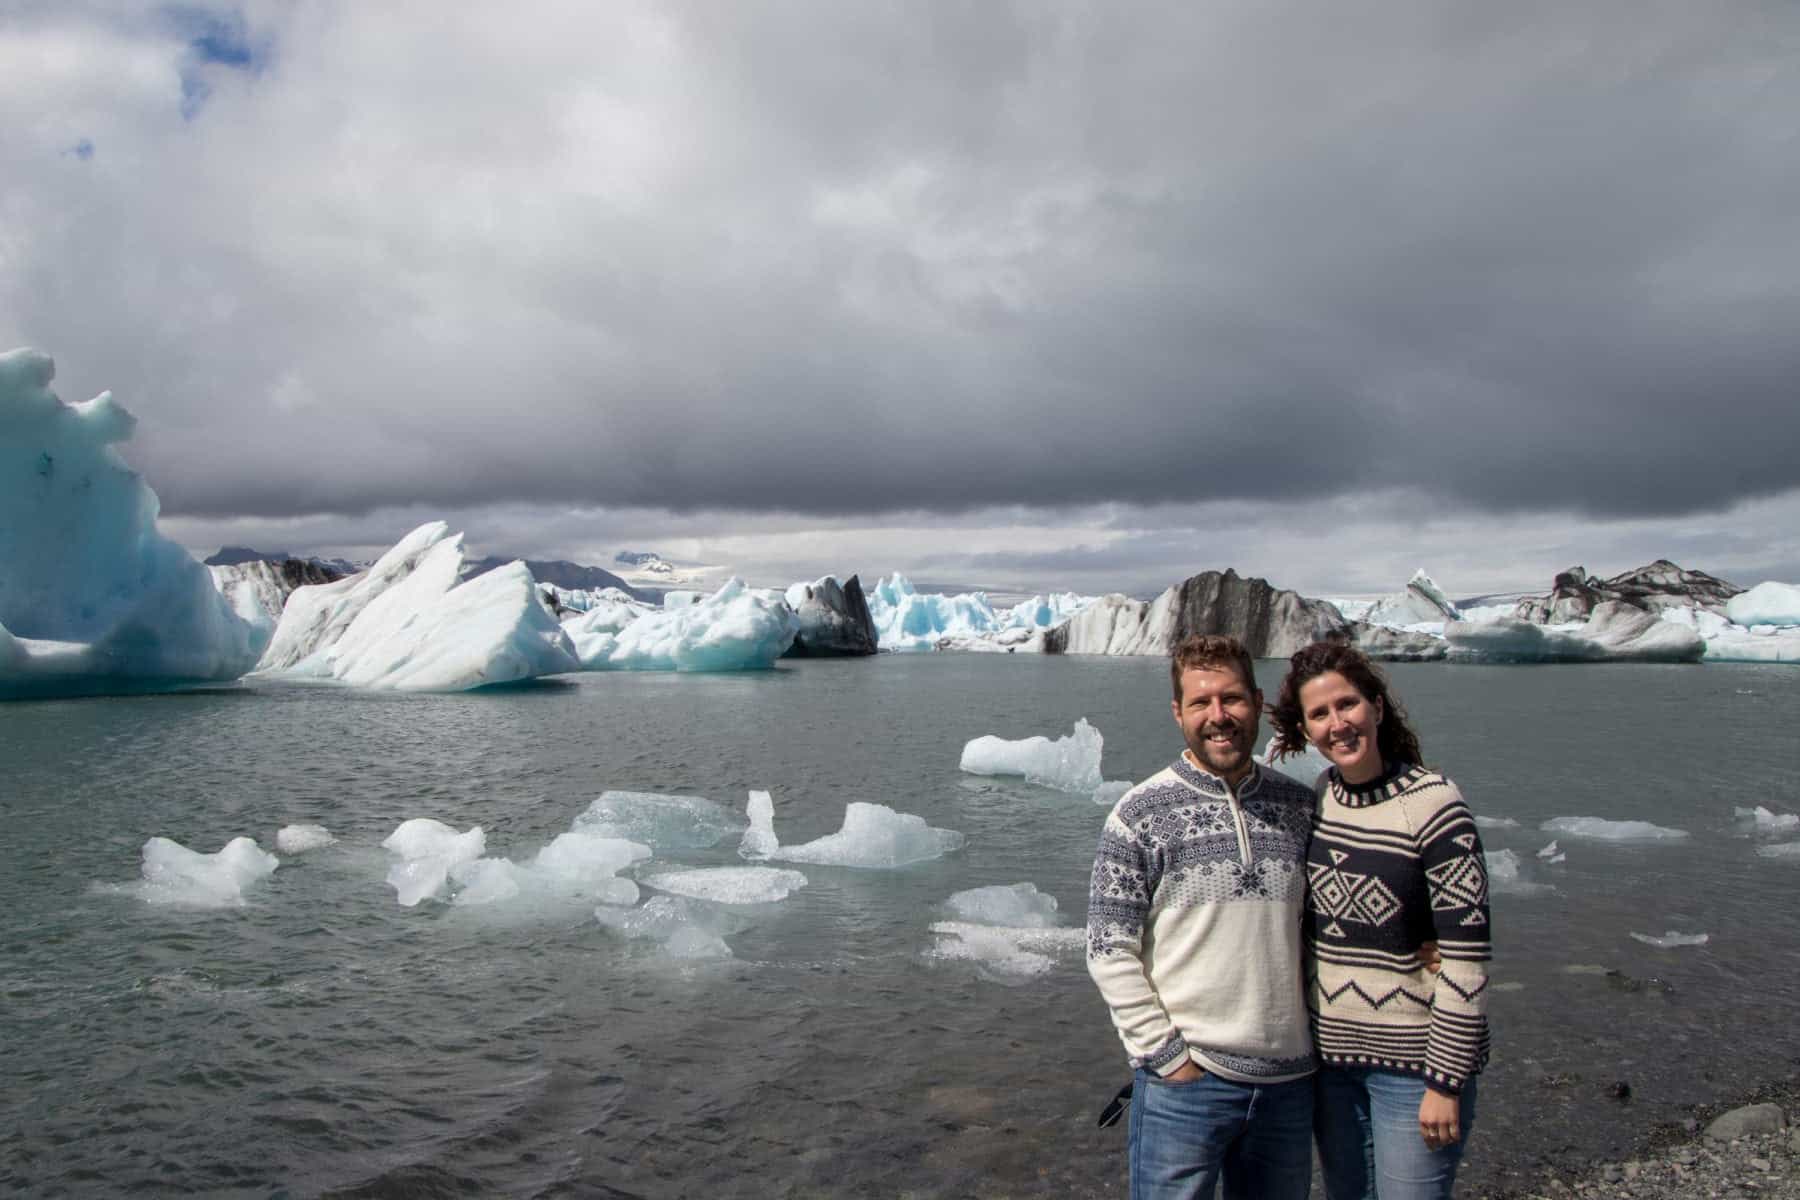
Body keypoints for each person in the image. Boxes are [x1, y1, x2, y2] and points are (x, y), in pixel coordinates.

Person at [1087, 633, 1317, 1200]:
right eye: (1201, 702)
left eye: (1232, 698)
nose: (1219, 716)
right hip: (1186, 1086)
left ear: (1257, 703)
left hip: (1288, 1087)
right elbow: (1107, 947)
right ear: (1178, 712)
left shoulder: (1301, 808)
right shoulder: (1139, 815)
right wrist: (1166, 1058)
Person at [1268, 640, 1491, 1200]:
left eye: (1347, 704)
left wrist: (1445, 1081)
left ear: (1377, 707)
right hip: (1332, 1067)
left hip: (1414, 1070)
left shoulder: (1435, 804)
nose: (1337, 724)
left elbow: (1467, 961)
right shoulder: (1321, 798)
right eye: (1319, 713)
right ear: (1306, 729)